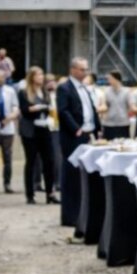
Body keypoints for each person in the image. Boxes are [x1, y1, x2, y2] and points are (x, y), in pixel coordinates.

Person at [56, 57, 101, 229]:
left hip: (88, 134)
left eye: (86, 69)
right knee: (71, 176)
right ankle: (69, 216)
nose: (85, 72)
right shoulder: (64, 88)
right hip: (73, 136)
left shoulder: (86, 89)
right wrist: (76, 129)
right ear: (73, 69)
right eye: (82, 69)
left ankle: (82, 213)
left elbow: (91, 110)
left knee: (83, 175)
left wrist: (97, 128)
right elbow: (63, 111)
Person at [18, 66, 59, 205]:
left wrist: (43, 109)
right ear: (32, 77)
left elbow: (48, 108)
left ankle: (50, 193)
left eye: (42, 74)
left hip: (44, 128)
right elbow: (25, 110)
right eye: (38, 75)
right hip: (30, 130)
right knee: (31, 161)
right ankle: (30, 194)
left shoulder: (45, 91)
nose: (41, 77)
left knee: (50, 160)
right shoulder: (24, 92)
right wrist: (37, 108)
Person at [101, 71, 130, 139]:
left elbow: (130, 107)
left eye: (110, 78)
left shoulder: (127, 91)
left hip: (123, 124)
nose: (108, 81)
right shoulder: (106, 91)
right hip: (109, 124)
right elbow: (104, 104)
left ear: (116, 79)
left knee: (124, 145)